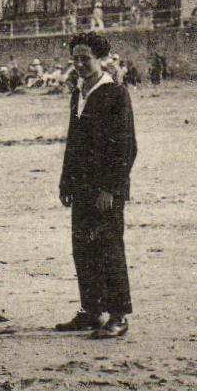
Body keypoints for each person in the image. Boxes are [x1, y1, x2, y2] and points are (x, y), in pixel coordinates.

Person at [57, 33, 138, 340]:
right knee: (83, 247)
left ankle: (118, 315)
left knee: (109, 248)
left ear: (101, 59)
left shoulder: (116, 93)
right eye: (75, 58)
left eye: (85, 58)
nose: (79, 64)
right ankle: (91, 310)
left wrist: (111, 189)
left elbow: (127, 147)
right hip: (81, 185)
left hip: (106, 187)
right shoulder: (78, 93)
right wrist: (65, 181)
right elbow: (73, 141)